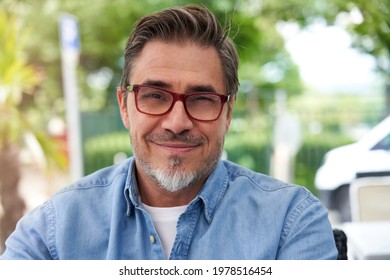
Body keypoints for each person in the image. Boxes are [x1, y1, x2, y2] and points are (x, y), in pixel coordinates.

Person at [0, 5, 338, 260]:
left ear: (228, 112)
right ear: (124, 105)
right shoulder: (55, 229)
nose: (177, 122)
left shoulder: (290, 222)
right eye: (155, 96)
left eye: (202, 99)